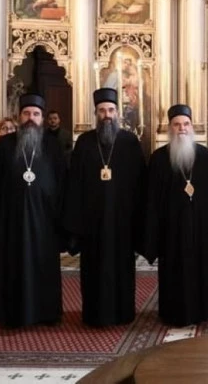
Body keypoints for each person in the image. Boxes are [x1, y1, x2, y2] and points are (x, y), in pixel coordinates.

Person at [143, 104, 208, 326]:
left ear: (191, 127)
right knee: (174, 271)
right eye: (177, 124)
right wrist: (152, 238)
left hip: (201, 227)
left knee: (201, 268)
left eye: (186, 124)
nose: (181, 128)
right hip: (171, 229)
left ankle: (204, 309)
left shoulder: (203, 156)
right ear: (170, 128)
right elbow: (151, 201)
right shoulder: (159, 159)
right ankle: (173, 312)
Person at [63, 88, 145, 326]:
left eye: (110, 110)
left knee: (122, 268)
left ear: (117, 113)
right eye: (102, 111)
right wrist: (76, 224)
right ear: (96, 113)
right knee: (93, 269)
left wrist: (137, 220)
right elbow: (74, 184)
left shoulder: (130, 142)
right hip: (93, 223)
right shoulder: (84, 143)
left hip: (122, 222)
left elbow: (140, 184)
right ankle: (94, 314)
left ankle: (123, 313)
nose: (107, 115)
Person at [0, 93, 67, 328]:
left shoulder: (53, 146)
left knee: (44, 265)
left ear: (42, 118)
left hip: (45, 221)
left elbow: (62, 183)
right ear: (19, 116)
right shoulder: (5, 145)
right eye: (27, 113)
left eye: (36, 114)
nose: (31, 118)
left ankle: (46, 313)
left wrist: (60, 218)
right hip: (11, 221)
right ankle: (11, 314)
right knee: (13, 265)